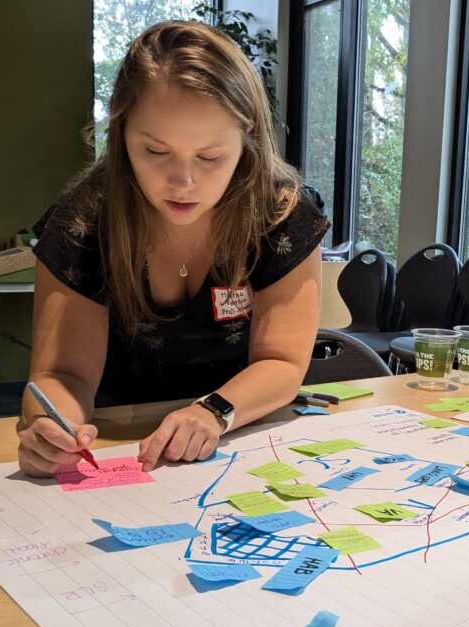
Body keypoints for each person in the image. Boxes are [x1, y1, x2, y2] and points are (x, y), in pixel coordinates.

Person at [18, 21, 328, 477]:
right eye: (156, 152)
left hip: (243, 435)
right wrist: (52, 425)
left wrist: (213, 411)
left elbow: (282, 362)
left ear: (246, 144)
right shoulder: (86, 221)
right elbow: (63, 375)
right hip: (119, 445)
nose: (183, 183)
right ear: (122, 136)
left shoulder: (278, 212)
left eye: (210, 157)